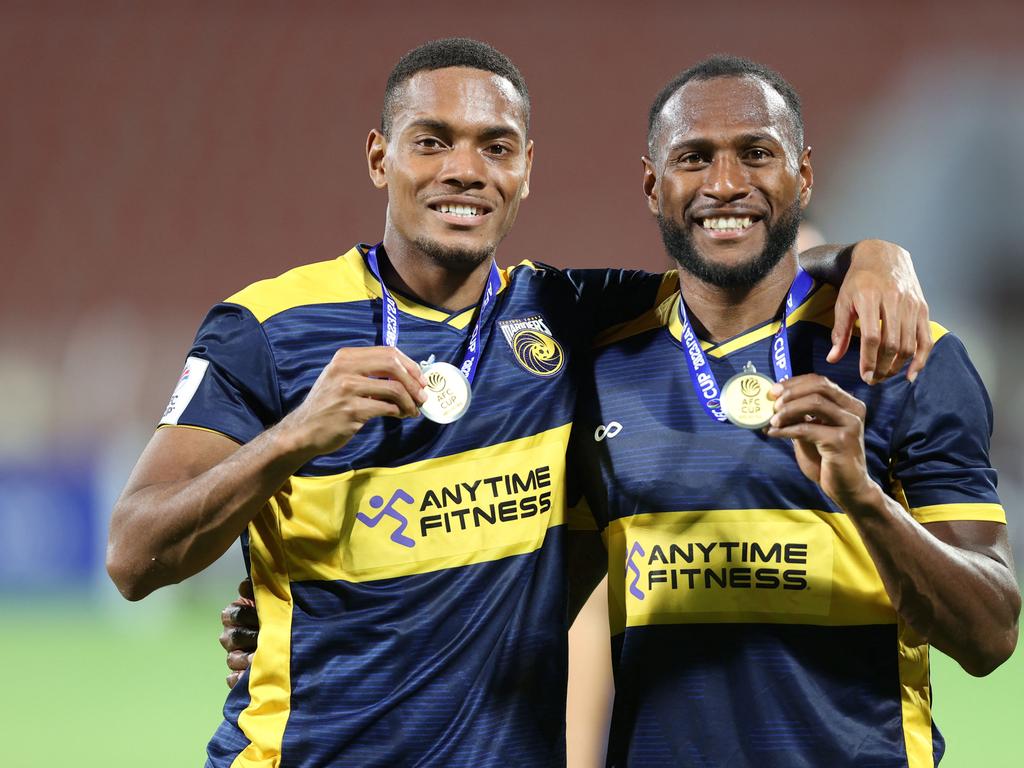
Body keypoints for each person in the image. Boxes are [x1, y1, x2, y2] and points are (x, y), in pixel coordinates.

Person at [107, 39, 930, 767]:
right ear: (378, 157)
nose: (465, 169)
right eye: (432, 142)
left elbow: (739, 263)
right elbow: (134, 556)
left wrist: (873, 257)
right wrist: (292, 439)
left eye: (494, 146)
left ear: (526, 169)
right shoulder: (268, 327)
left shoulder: (568, 318)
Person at [568, 55, 1021, 767]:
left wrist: (864, 501)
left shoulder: (905, 356)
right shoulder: (598, 358)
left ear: (803, 176)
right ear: (653, 185)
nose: (725, 183)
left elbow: (991, 636)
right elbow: (549, 614)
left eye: (756, 154)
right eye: (694, 157)